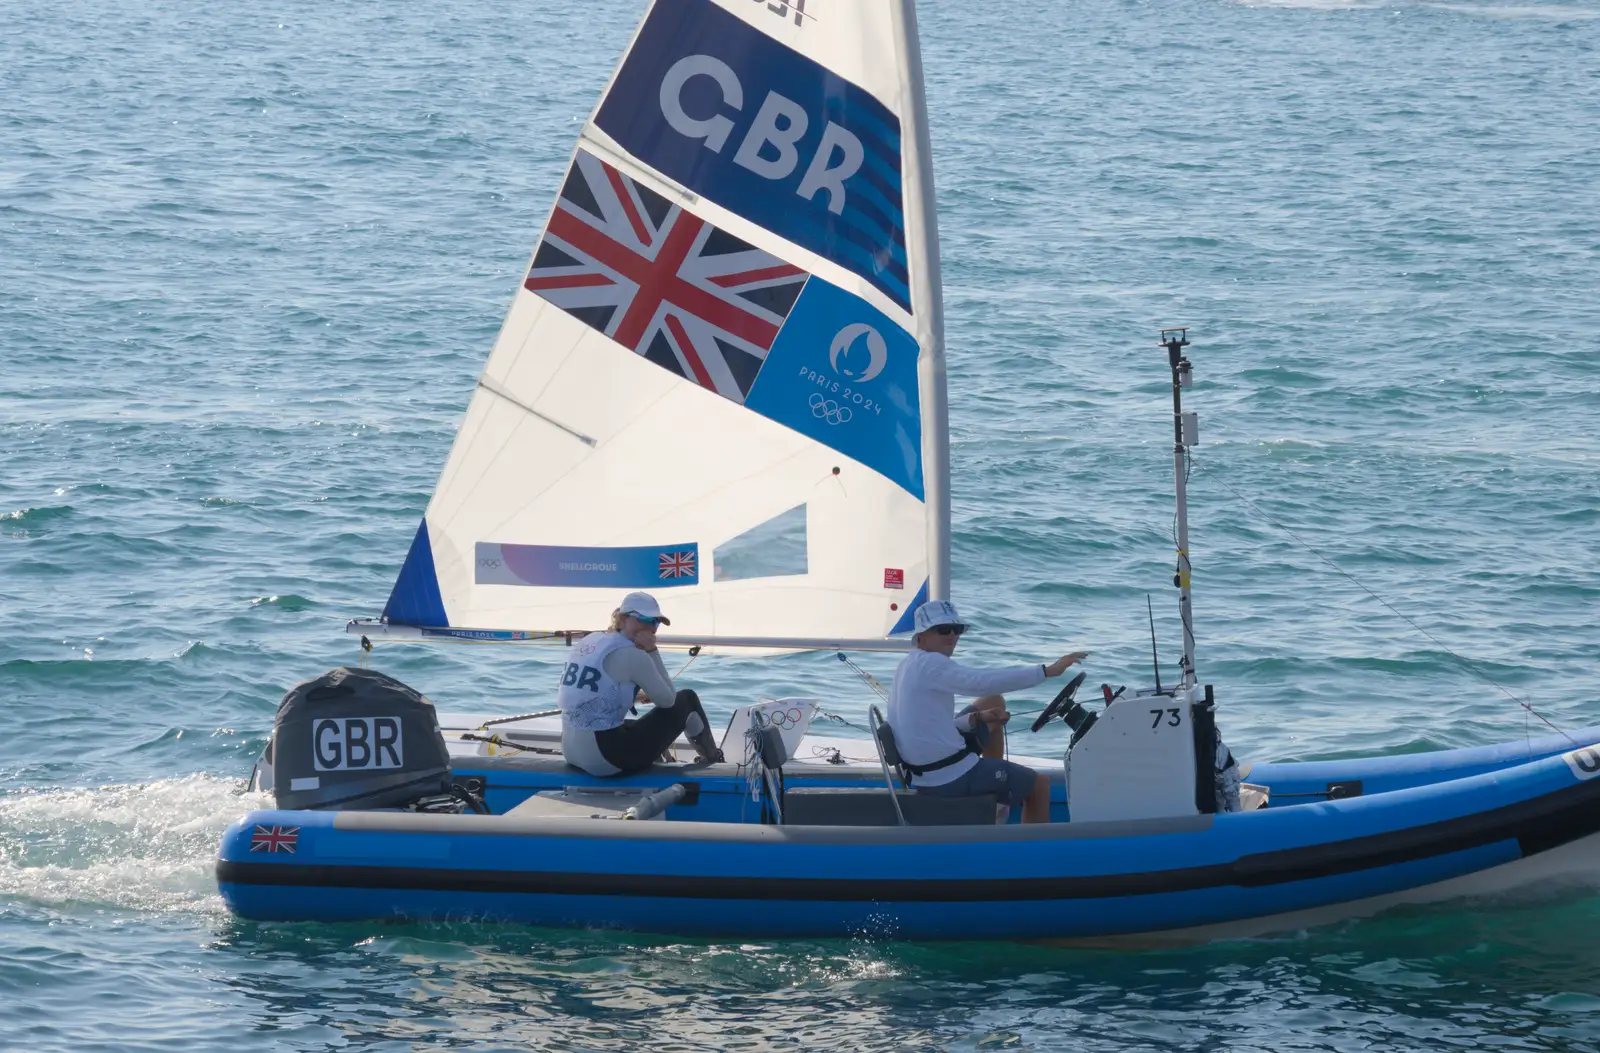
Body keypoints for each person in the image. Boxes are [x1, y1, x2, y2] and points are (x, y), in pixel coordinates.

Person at [887, 600, 1087, 823]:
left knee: (993, 702)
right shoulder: (932, 663)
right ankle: (1029, 850)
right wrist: (1046, 672)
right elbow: (980, 682)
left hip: (924, 771)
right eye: (943, 629)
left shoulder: (908, 664)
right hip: (947, 776)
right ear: (921, 636)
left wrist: (976, 718)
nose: (952, 636)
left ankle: (997, 802)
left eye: (958, 630)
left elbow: (928, 724)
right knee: (1039, 785)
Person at [557, 591, 723, 776]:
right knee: (687, 699)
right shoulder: (635, 654)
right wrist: (652, 650)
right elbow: (668, 701)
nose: (651, 628)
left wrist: (636, 696)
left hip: (570, 750)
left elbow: (591, 693)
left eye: (656, 622)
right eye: (644, 618)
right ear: (623, 618)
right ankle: (713, 763)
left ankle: (660, 760)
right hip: (605, 760)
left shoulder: (590, 640)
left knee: (631, 724)